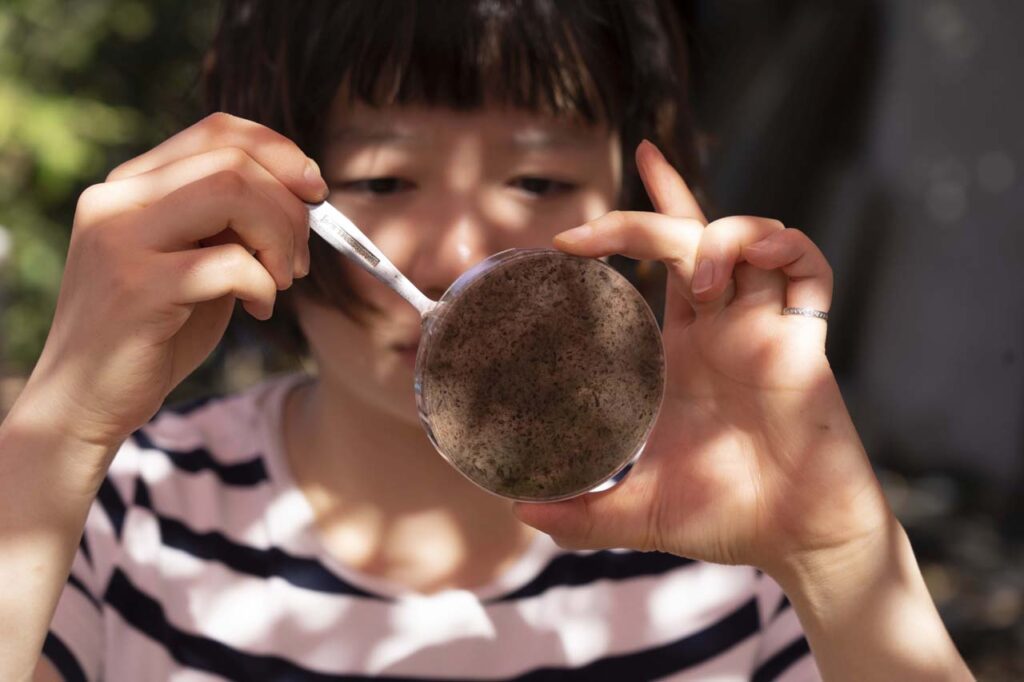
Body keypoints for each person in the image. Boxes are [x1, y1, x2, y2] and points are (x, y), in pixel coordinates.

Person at [0, 1, 973, 680]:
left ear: (629, 202)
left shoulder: (738, 568)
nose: (464, 249)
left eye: (539, 181)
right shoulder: (115, 524)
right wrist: (63, 424)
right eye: (383, 180)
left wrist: (833, 554)